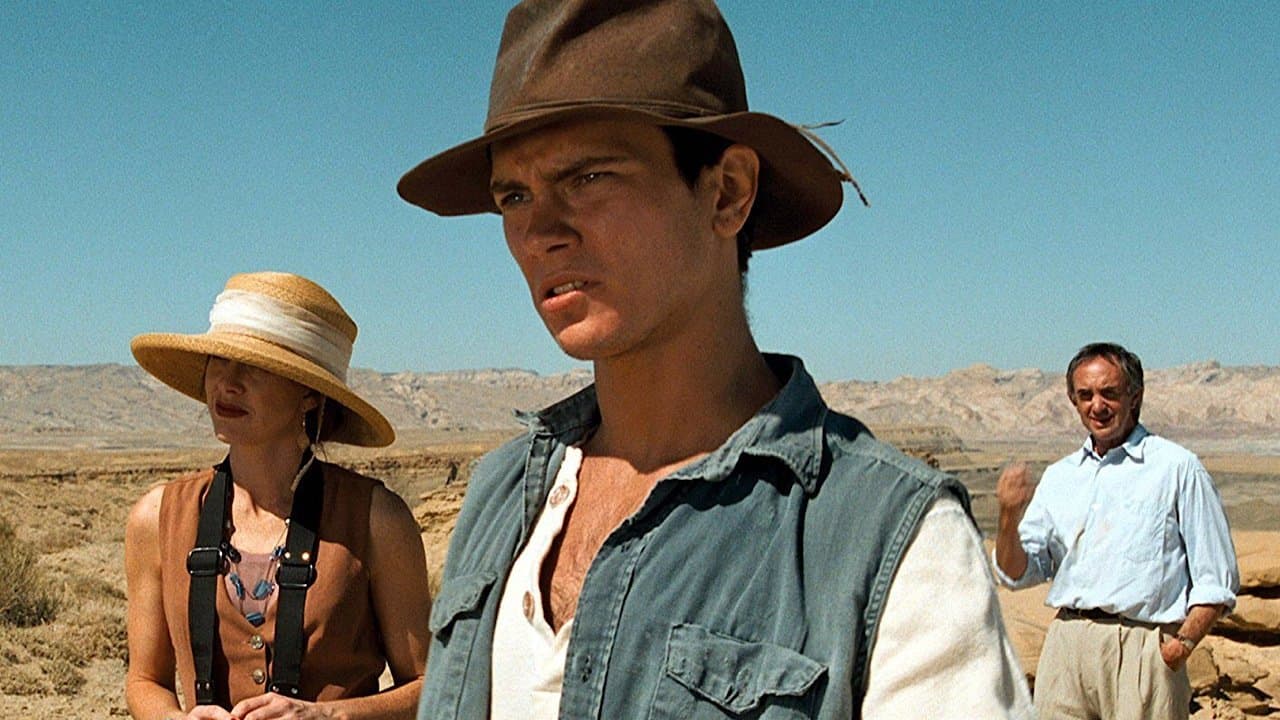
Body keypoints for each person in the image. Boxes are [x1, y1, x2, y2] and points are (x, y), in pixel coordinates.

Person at [397, 1, 1032, 717]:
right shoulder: (502, 492)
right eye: (514, 195)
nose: (540, 231)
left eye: (589, 178)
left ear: (727, 193)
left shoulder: (887, 539)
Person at [124, 271, 430, 720]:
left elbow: (432, 686)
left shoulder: (376, 519)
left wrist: (328, 717)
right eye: (219, 360)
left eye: (255, 366)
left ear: (309, 394)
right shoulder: (157, 517)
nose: (228, 383)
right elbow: (144, 681)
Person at [994, 342, 1240, 719]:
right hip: (1066, 647)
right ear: (1073, 401)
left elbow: (1217, 577)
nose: (1098, 406)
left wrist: (1179, 647)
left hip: (1143, 648)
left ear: (1134, 397)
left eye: (1109, 393)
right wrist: (1008, 516)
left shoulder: (1177, 468)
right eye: (1085, 395)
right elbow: (1017, 573)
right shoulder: (1061, 476)